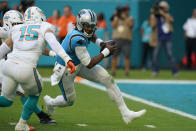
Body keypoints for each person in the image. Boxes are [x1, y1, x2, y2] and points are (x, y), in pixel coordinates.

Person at [44, 9, 146, 124]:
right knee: (69, 100)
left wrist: (101, 43)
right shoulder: (77, 38)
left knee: (107, 78)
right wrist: (106, 51)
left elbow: (91, 35)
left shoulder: (82, 30)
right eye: (88, 26)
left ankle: (126, 113)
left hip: (78, 63)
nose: (90, 29)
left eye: (92, 26)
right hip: (66, 69)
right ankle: (50, 102)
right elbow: (89, 64)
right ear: (80, 24)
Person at [0, 6, 75, 131]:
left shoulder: (17, 28)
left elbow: (4, 48)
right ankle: (22, 124)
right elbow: (53, 42)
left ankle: (32, 119)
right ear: (40, 16)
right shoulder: (44, 26)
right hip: (25, 68)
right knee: (35, 93)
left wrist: (52, 54)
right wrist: (67, 58)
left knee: (7, 100)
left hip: (8, 66)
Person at [150, 1, 178, 77]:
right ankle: (155, 71)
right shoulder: (156, 16)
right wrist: (153, 14)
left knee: (170, 54)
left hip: (167, 37)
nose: (162, 9)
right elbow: (152, 25)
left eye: (163, 7)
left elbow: (172, 20)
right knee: (155, 55)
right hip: (158, 37)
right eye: (161, 7)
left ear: (166, 8)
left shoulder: (168, 14)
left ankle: (175, 72)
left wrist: (163, 13)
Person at [111, 5, 134, 76]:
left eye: (127, 10)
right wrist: (117, 17)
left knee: (127, 56)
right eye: (124, 10)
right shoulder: (117, 17)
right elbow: (113, 26)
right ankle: (113, 72)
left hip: (126, 40)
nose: (126, 11)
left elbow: (131, 25)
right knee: (114, 56)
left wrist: (124, 18)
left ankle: (127, 72)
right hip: (117, 39)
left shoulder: (130, 18)